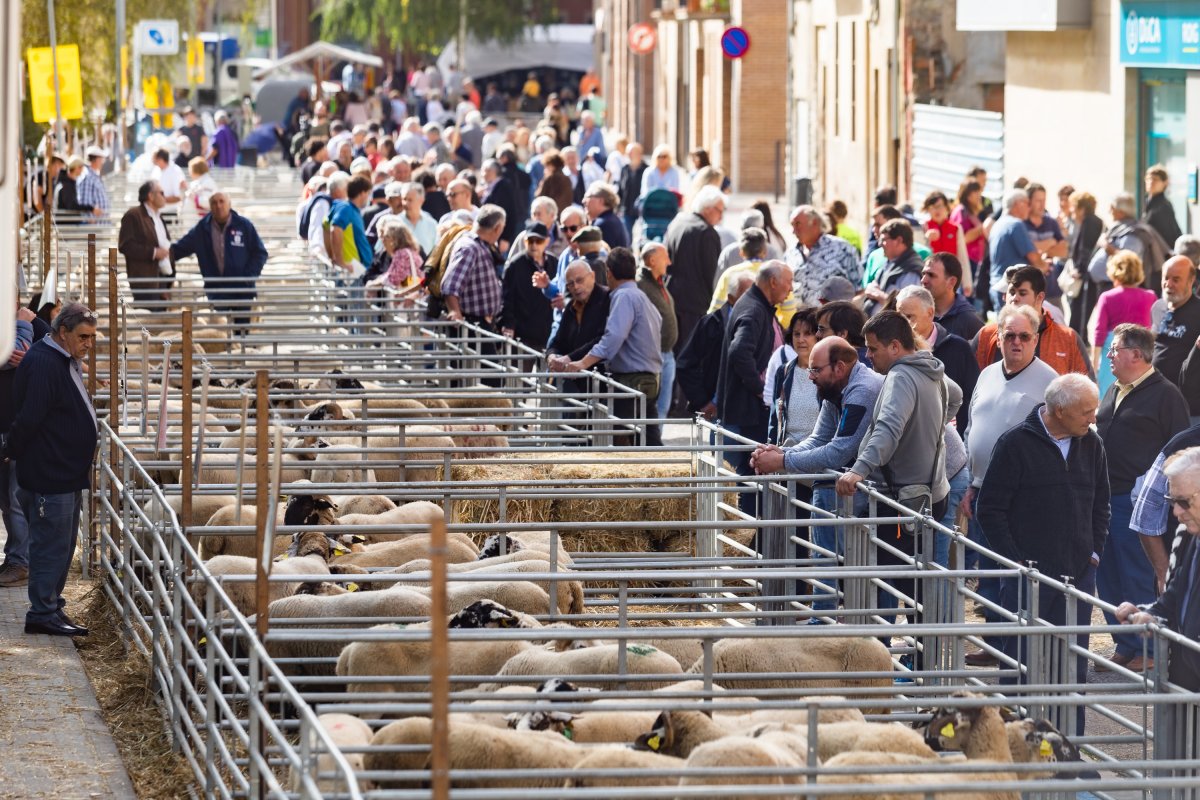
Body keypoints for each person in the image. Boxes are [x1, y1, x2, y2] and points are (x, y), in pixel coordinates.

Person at [976, 373, 1106, 734]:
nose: (1093, 418)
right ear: (1059, 410)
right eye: (1086, 412)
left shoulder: (1091, 444)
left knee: (1071, 671)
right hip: (1028, 579)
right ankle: (1017, 750)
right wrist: (1016, 561)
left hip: (1077, 577)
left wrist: (1093, 556)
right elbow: (990, 509)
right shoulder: (1015, 444)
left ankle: (1068, 754)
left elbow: (1101, 505)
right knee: (1021, 666)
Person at [836, 311, 961, 620]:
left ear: (894, 346)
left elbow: (888, 428)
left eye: (873, 348)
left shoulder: (901, 376)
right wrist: (928, 426)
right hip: (929, 493)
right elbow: (956, 396)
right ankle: (916, 658)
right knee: (915, 582)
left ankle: (896, 658)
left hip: (903, 500)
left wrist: (859, 469)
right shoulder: (930, 369)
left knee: (894, 584)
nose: (868, 355)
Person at [958, 303, 1060, 666]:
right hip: (983, 491)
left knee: (1014, 577)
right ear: (998, 337)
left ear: (1036, 339)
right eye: (1009, 335)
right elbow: (971, 427)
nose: (1016, 342)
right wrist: (972, 484)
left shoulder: (1050, 382)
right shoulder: (986, 375)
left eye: (1024, 336)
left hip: (1023, 498)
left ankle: (1016, 653)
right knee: (988, 575)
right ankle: (996, 645)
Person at [751, 335, 885, 611]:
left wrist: (782, 461)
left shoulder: (862, 391)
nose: (810, 376)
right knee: (836, 552)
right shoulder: (833, 390)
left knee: (885, 569)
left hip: (888, 484)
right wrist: (779, 453)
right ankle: (825, 616)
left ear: (839, 367)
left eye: (815, 369)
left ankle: (842, 622)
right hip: (862, 482)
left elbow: (840, 450)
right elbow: (819, 437)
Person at [1095, 323, 1191, 671]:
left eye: (1115, 349)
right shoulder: (1113, 389)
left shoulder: (1165, 395)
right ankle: (1123, 643)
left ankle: (1146, 651)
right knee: (1106, 577)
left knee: (1135, 574)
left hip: (1135, 502)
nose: (1109, 355)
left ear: (1137, 354)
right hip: (1104, 499)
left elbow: (1182, 450)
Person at [2, 303, 98, 636]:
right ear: (62, 332)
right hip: (49, 474)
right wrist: (10, 450)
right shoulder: (45, 363)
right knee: (49, 546)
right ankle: (41, 613)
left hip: (65, 473)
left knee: (62, 545)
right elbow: (30, 417)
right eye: (83, 337)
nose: (88, 344)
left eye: (92, 338)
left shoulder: (62, 359)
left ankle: (52, 608)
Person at [554, 247, 662, 446]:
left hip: (631, 380)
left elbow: (612, 338)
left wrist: (582, 363)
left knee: (617, 437)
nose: (575, 287)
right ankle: (664, 475)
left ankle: (631, 476)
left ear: (608, 273)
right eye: (571, 283)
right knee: (648, 439)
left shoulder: (623, 297)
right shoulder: (641, 297)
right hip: (649, 377)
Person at [1118, 446, 1200, 696]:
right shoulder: (1190, 535)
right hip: (1185, 686)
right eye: (1172, 501)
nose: (1176, 512)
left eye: (1184, 502)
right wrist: (1149, 614)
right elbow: (1177, 595)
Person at [717, 263, 793, 513]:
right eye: (788, 282)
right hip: (748, 412)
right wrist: (761, 389)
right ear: (773, 282)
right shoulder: (753, 308)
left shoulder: (758, 306)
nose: (790, 289)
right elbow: (739, 351)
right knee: (749, 478)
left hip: (749, 410)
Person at [970, 265, 1094, 378]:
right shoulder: (986, 335)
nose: (1015, 298)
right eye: (1011, 292)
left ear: (1040, 297)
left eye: (1022, 293)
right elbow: (968, 383)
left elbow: (1087, 391)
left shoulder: (1067, 338)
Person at [0, 308, 49, 588]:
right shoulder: (22, 326)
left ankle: (21, 561)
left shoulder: (32, 325)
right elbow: (10, 355)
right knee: (6, 500)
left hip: (18, 425)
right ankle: (15, 555)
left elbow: (47, 352)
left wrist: (25, 352)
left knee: (16, 496)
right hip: (6, 422)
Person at [170, 192, 268, 331]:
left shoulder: (243, 225)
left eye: (222, 201)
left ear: (229, 204)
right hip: (217, 290)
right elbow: (180, 249)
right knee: (220, 331)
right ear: (210, 207)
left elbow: (260, 252)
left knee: (242, 331)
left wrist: (249, 276)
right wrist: (161, 253)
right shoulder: (202, 229)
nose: (218, 206)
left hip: (242, 289)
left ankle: (242, 350)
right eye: (214, 203)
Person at [896, 285, 978, 435]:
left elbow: (972, 398)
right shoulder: (894, 351)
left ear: (930, 313)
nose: (903, 324)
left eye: (909, 317)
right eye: (899, 318)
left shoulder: (958, 348)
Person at [676, 272, 754, 418]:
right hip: (721, 412)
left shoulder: (763, 321)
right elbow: (685, 364)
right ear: (731, 298)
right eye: (747, 294)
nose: (753, 300)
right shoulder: (712, 323)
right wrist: (704, 401)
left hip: (753, 411)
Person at [664, 186, 726, 355]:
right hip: (694, 305)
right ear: (708, 209)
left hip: (671, 297)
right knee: (689, 357)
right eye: (720, 211)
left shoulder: (678, 221)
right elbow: (712, 275)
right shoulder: (707, 232)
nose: (722, 216)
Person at [1091, 251, 1157, 391]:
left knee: (1110, 396)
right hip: (1141, 351)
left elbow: (1099, 332)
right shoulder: (1150, 296)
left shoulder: (1107, 297)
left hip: (1114, 351)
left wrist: (1094, 365)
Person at [786, 205, 862, 307]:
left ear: (815, 223)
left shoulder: (842, 249)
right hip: (797, 319)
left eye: (798, 224)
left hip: (832, 319)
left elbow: (859, 289)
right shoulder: (791, 253)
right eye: (792, 225)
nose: (793, 231)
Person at [441, 204, 505, 325]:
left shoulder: (482, 245)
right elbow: (450, 285)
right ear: (497, 228)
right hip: (471, 324)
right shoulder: (469, 248)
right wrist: (454, 311)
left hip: (484, 322)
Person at [637, 243, 679, 424]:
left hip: (667, 353)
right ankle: (649, 448)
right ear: (652, 261)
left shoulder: (658, 281)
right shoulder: (641, 285)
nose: (669, 262)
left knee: (663, 407)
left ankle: (656, 444)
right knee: (653, 408)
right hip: (653, 356)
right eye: (665, 258)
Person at [766, 309, 821, 446]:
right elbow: (775, 418)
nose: (800, 339)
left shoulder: (827, 372)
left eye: (808, 333)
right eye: (796, 334)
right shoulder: (783, 371)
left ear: (818, 336)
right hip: (786, 454)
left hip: (816, 455)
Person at [1153, 255, 1200, 417]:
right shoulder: (1158, 307)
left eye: (1176, 279)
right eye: (1165, 278)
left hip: (1188, 405)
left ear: (1191, 280)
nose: (1168, 284)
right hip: (1157, 398)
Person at [117, 180, 175, 309]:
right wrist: (154, 253)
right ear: (150, 195)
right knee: (147, 321)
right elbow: (125, 245)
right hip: (144, 280)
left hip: (161, 279)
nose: (164, 196)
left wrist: (167, 282)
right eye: (162, 193)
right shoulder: (133, 215)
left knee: (161, 322)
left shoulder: (159, 217)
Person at [987, 189, 1047, 311]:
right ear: (1019, 204)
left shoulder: (998, 224)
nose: (1029, 208)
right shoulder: (1016, 224)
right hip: (1013, 288)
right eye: (1027, 204)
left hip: (999, 286)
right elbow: (1033, 257)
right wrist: (1044, 265)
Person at [497, 222, 554, 349]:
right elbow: (507, 298)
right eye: (530, 241)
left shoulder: (554, 263)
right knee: (520, 368)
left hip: (548, 332)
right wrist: (508, 324)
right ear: (524, 241)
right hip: (522, 334)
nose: (534, 245)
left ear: (547, 241)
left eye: (538, 241)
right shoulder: (514, 265)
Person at [1064, 190, 1106, 342]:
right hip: (1087, 274)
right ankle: (1078, 340)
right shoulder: (1091, 221)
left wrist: (1079, 270)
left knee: (1080, 311)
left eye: (1074, 208)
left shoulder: (1090, 222)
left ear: (1081, 208)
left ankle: (1075, 342)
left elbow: (1085, 249)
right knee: (1079, 310)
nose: (1072, 212)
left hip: (1086, 276)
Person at [862, 219, 924, 315]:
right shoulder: (889, 262)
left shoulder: (911, 270)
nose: (879, 244)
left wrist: (878, 295)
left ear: (899, 240)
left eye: (883, 240)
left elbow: (907, 308)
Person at [921, 253, 983, 341]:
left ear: (951, 282)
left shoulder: (969, 322)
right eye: (923, 274)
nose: (923, 280)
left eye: (931, 275)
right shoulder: (916, 314)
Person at [950, 180, 987, 290]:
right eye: (976, 193)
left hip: (975, 259)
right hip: (967, 260)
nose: (979, 196)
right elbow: (963, 238)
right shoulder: (961, 211)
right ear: (968, 195)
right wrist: (982, 228)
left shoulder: (971, 212)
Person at [1143, 164, 1183, 254]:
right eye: (1148, 179)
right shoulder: (1148, 202)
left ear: (1165, 183)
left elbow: (1167, 236)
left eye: (1155, 179)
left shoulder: (1163, 206)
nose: (1151, 182)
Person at [923, 191, 966, 264]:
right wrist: (926, 239)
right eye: (932, 207)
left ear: (946, 207)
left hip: (950, 272)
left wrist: (965, 275)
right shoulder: (923, 227)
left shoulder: (956, 228)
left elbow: (962, 256)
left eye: (939, 206)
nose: (936, 210)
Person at [584, 182, 629, 250]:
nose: (583, 201)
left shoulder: (603, 224)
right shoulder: (612, 220)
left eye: (588, 197)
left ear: (600, 200)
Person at [398, 182, 439, 256]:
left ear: (421, 200)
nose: (405, 203)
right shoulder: (395, 223)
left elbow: (437, 252)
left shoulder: (432, 224)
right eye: (404, 199)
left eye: (410, 200)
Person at [150, 148, 186, 230]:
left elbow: (178, 197)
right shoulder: (156, 170)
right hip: (157, 211)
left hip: (171, 212)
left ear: (161, 159)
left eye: (155, 160)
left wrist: (159, 200)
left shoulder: (175, 171)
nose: (154, 162)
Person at [76, 146, 110, 222]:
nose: (102, 162)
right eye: (102, 159)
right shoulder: (87, 178)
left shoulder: (93, 176)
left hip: (100, 225)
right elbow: (84, 202)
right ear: (97, 160)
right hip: (94, 227)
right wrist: (90, 221)